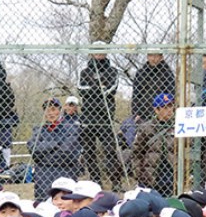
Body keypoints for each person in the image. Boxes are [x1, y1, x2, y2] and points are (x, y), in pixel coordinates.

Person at [78, 43, 122, 189]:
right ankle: (96, 182)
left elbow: (110, 90)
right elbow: (81, 89)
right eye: (96, 52)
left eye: (101, 52)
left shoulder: (113, 71)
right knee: (89, 151)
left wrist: (94, 89)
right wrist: (99, 88)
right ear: (92, 53)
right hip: (87, 117)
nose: (99, 55)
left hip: (105, 116)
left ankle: (116, 182)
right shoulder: (84, 72)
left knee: (110, 150)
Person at [27, 98, 81, 201]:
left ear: (60, 110)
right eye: (47, 110)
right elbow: (33, 149)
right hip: (43, 178)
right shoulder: (38, 130)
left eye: (53, 109)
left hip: (65, 172)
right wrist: (55, 144)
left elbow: (67, 154)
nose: (50, 113)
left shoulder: (72, 128)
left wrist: (43, 155)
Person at [131, 93, 176, 197]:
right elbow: (137, 152)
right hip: (151, 174)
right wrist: (139, 175)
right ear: (157, 110)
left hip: (171, 173)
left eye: (171, 106)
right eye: (165, 107)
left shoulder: (178, 126)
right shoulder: (146, 128)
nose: (170, 110)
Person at [131, 49, 175, 125]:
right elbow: (136, 95)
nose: (153, 59)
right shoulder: (141, 73)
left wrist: (166, 110)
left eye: (156, 56)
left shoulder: (167, 73)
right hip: (143, 113)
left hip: (161, 113)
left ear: (161, 57)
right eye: (150, 55)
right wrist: (135, 113)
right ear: (147, 57)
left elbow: (170, 94)